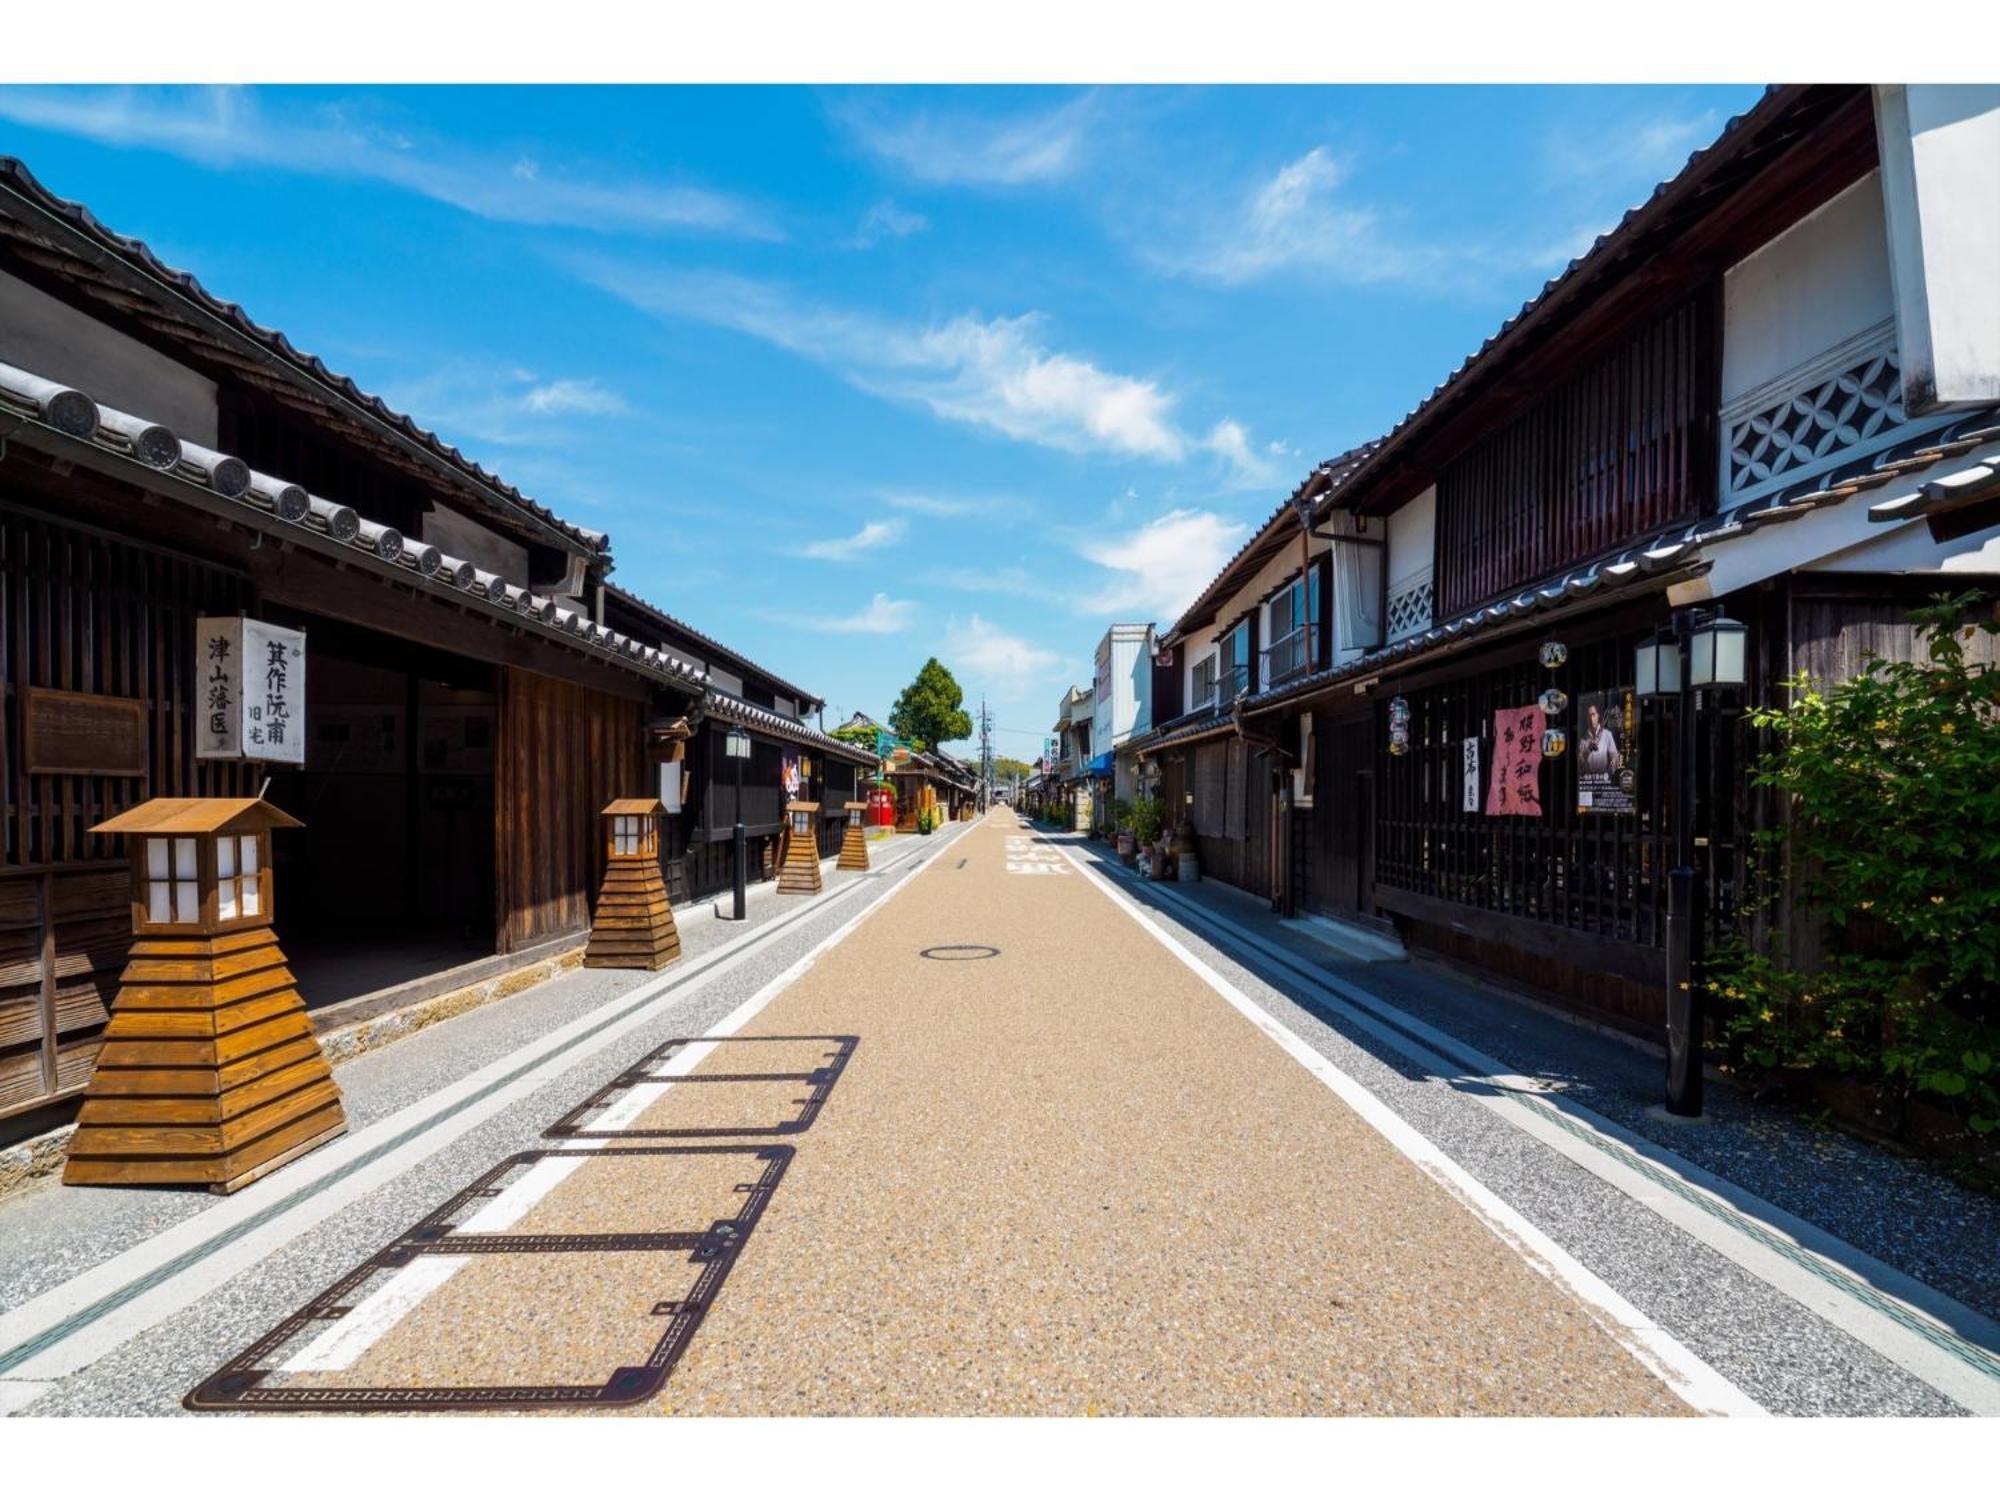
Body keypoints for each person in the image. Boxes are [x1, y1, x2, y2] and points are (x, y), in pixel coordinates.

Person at [1581, 700, 1621, 779]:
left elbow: (1615, 756)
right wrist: (1589, 749)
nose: (1591, 718)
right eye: (1589, 715)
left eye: (1593, 714)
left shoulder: (1607, 734)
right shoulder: (1583, 739)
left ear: (1598, 715)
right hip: (1588, 783)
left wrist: (1608, 773)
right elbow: (1580, 763)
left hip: (1603, 782)